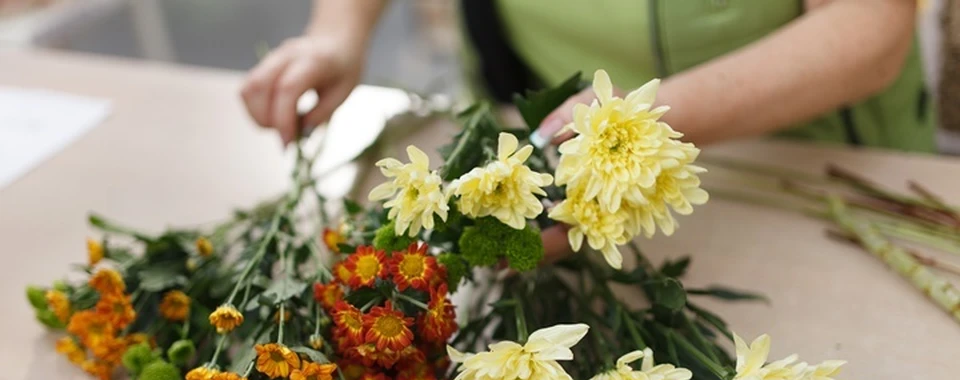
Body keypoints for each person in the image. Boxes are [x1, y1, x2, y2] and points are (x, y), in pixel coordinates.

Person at [241, 0, 934, 153]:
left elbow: (866, 35)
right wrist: (339, 32)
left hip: (798, 160)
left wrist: (627, 129)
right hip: (547, 133)